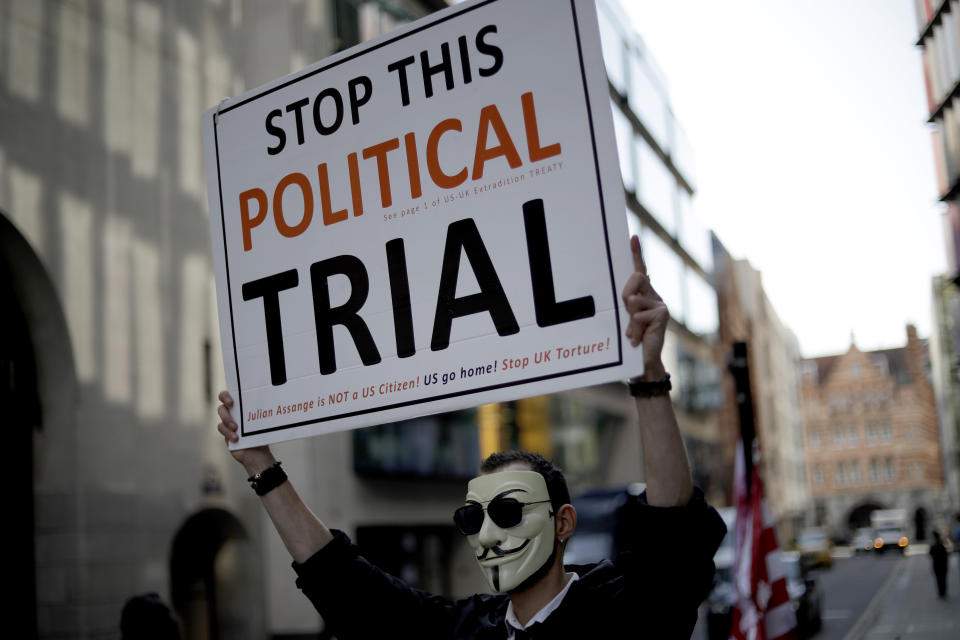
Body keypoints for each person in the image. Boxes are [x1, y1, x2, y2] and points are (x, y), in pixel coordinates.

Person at [216, 236, 726, 639]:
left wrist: (649, 376)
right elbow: (347, 589)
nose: (485, 535)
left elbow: (672, 536)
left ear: (563, 521)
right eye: (471, 517)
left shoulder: (623, 612)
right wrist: (261, 466)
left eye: (507, 511)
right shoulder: (465, 630)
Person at [930, 530, 949, 599]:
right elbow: (947, 554)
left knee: (939, 579)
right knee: (943, 579)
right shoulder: (942, 544)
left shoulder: (934, 544)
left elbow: (930, 553)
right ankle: (943, 592)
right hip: (943, 565)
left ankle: (941, 592)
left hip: (937, 565)